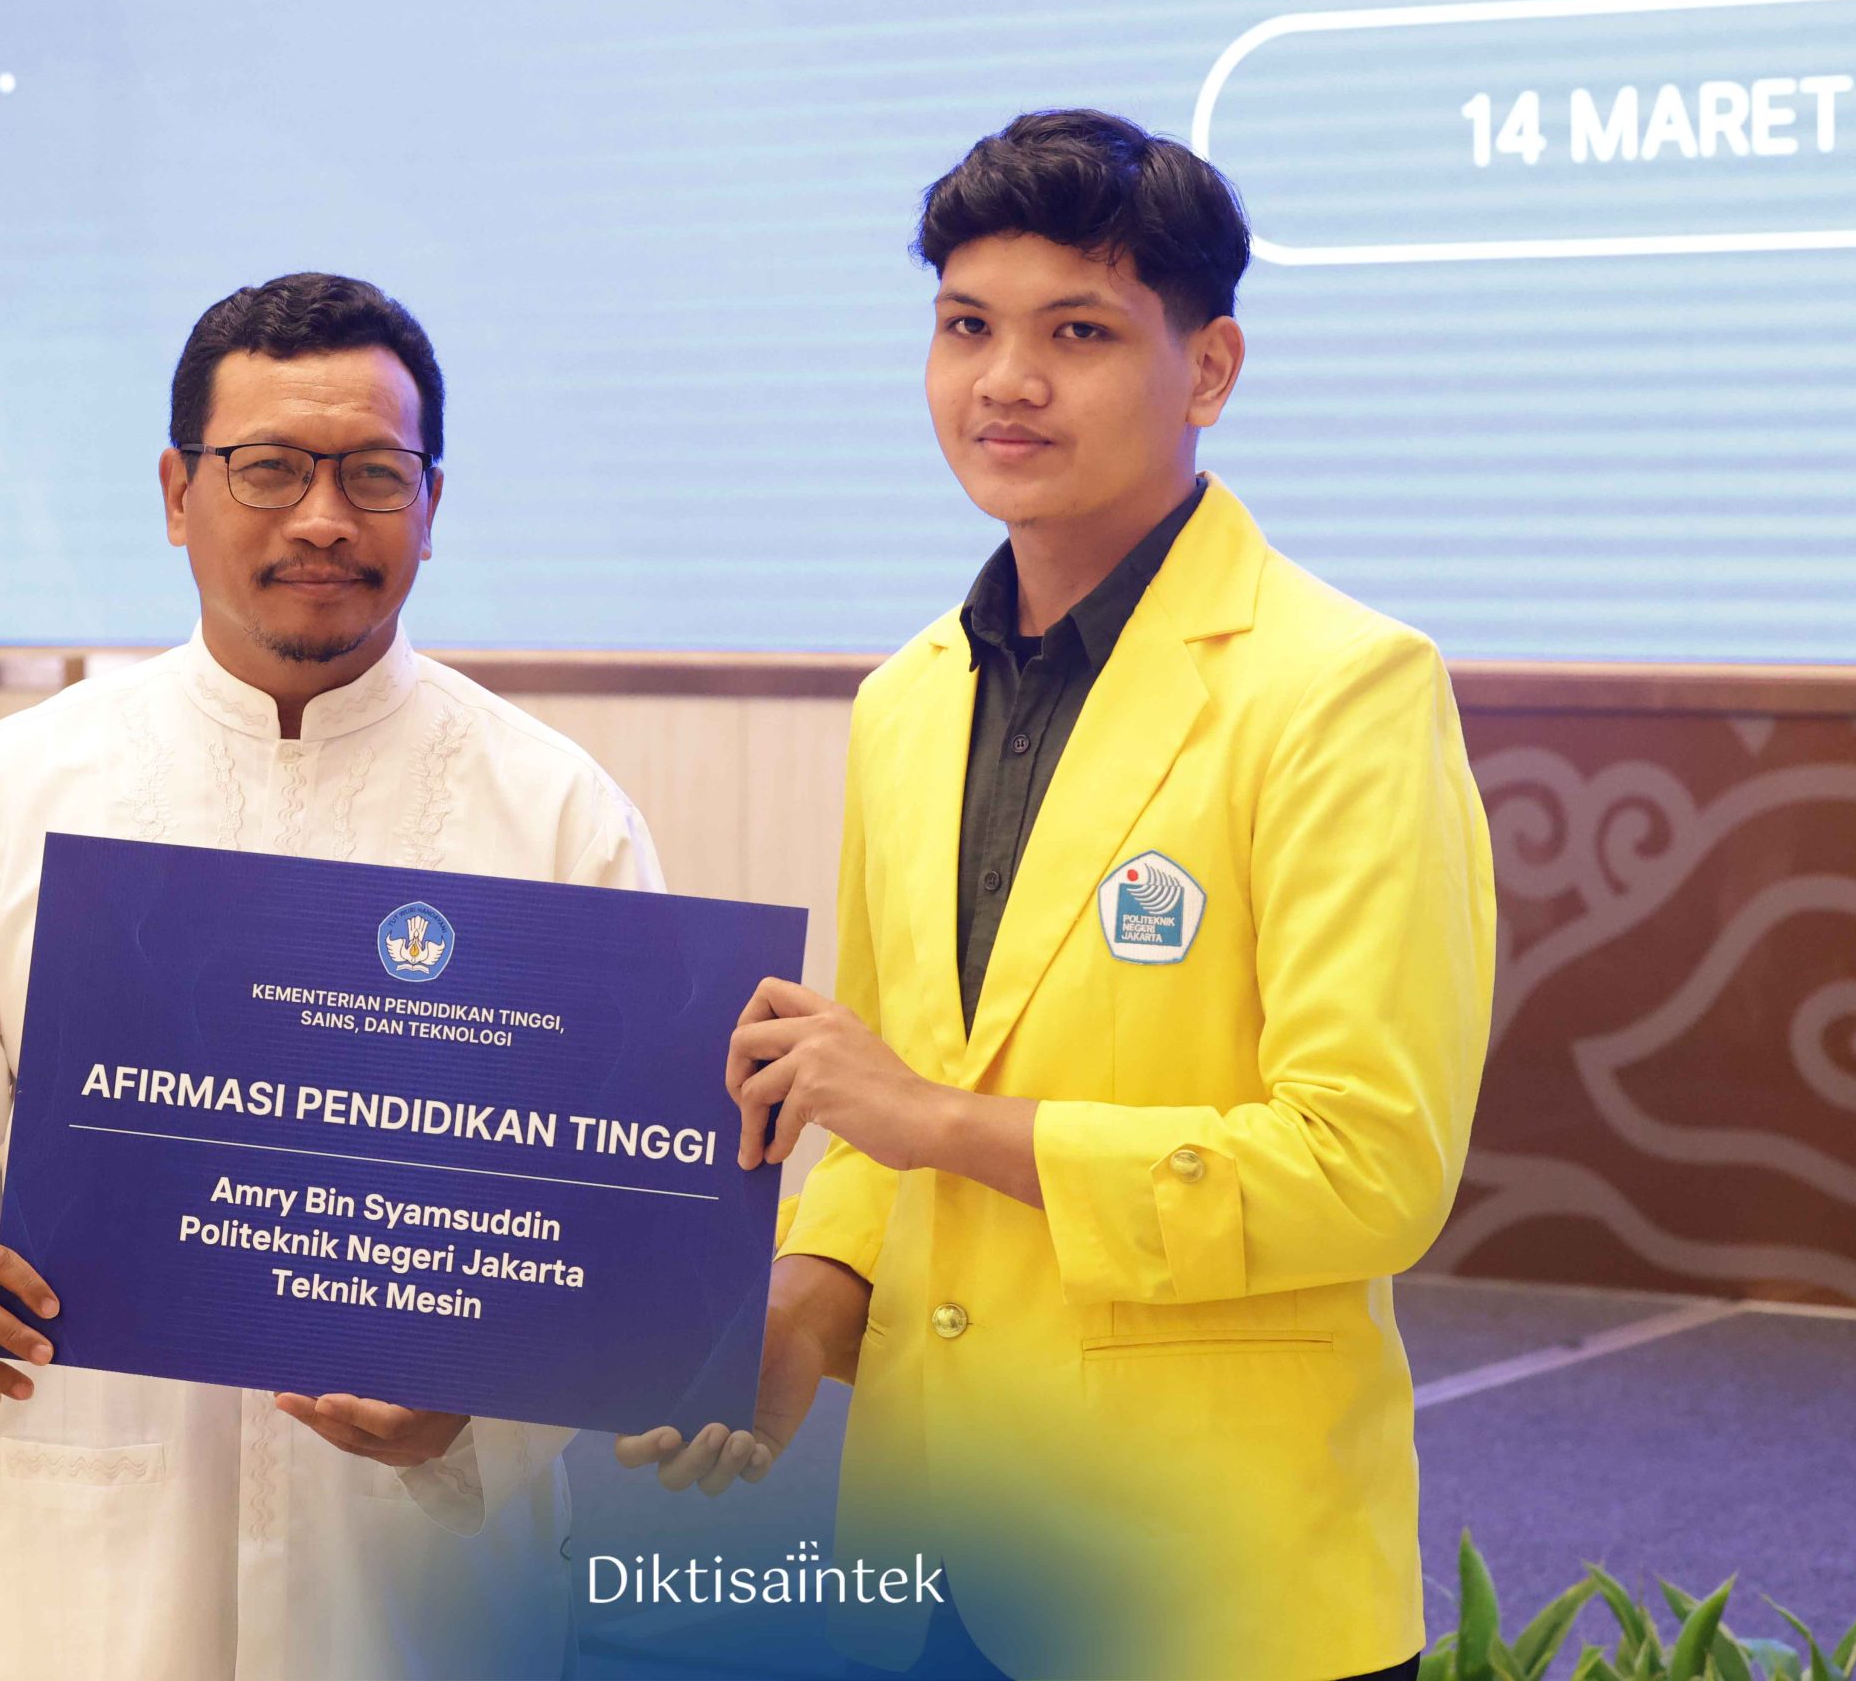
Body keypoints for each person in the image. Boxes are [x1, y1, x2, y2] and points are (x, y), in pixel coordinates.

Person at [620, 111, 1497, 1680]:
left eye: (1076, 333)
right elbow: (879, 1107)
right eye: (966, 327)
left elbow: (1368, 1169)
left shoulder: (1343, 691)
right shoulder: (908, 700)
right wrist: (803, 1313)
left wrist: (937, 1121)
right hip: (927, 1572)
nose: (1005, 381)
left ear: (1209, 369)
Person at [0, 272, 663, 1679]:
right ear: (177, 491)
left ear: (432, 502)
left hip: (419, 1591)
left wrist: (483, 1401)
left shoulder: (556, 815)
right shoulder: (16, 787)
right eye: (269, 469)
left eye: (373, 473)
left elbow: (623, 1212)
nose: (322, 517)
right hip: (101, 1560)